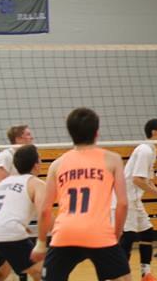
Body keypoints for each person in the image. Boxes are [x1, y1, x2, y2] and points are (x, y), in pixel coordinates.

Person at [33, 108, 131, 281]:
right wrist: (115, 236)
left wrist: (41, 243)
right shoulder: (112, 159)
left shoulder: (56, 165)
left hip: (65, 232)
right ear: (96, 133)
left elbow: (44, 209)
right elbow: (123, 204)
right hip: (98, 232)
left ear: (70, 133)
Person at [0, 144, 45, 280]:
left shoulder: (3, 184)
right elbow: (45, 213)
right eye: (40, 159)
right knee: (41, 271)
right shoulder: (36, 183)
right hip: (8, 233)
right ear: (36, 164)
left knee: (3, 272)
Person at [119, 119, 157, 281]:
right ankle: (121, 274)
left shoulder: (152, 149)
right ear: (153, 132)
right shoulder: (145, 150)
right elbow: (137, 179)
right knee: (128, 237)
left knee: (147, 231)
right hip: (125, 198)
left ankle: (146, 273)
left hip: (135, 199)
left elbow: (147, 180)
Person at [0, 125, 33, 222]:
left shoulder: (23, 159)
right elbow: (2, 186)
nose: (31, 137)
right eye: (28, 134)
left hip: (9, 206)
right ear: (18, 139)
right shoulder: (5, 156)